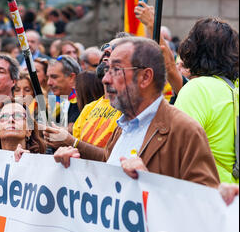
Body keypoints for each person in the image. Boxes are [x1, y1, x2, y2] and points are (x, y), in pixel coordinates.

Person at [53, 36, 220, 189]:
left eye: (116, 69)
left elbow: (206, 206)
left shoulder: (184, 130)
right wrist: (74, 162)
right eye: (107, 69)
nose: (105, 78)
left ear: (145, 77)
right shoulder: (122, 127)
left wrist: (148, 182)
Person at [174, 17, 239, 184]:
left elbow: (176, 151)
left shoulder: (198, 89)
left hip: (206, 196)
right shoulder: (235, 88)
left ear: (193, 49)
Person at [46, 55, 81, 132]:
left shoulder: (82, 101)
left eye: (54, 77)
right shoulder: (55, 101)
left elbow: (70, 132)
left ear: (72, 77)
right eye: (48, 77)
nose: (49, 83)